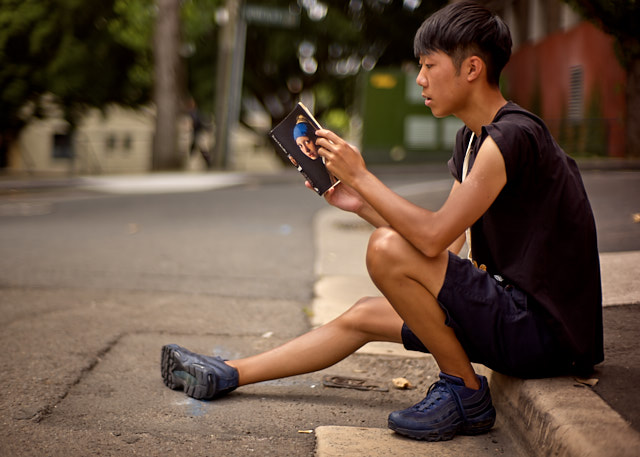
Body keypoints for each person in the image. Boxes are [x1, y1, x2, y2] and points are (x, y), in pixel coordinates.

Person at [161, 1, 603, 442]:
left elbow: (429, 240)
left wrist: (363, 176)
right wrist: (359, 203)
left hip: (542, 334)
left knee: (385, 249)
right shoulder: (473, 139)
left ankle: (465, 391)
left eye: (429, 65)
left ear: (471, 68)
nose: (421, 79)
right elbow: (443, 246)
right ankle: (228, 373)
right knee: (362, 315)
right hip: (512, 318)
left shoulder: (514, 137)